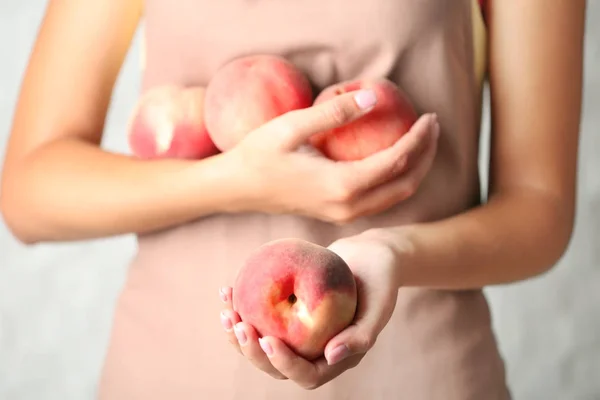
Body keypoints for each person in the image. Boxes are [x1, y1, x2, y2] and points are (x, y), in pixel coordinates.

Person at [0, 0, 586, 399]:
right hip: (172, 372)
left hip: (419, 372)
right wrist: (236, 181)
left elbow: (540, 208)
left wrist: (395, 252)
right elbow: (28, 190)